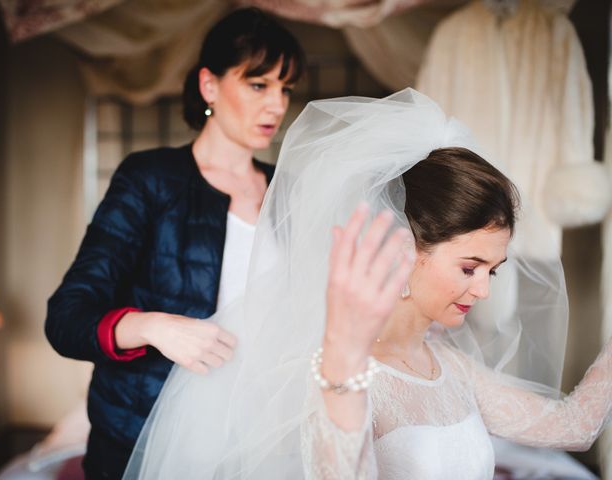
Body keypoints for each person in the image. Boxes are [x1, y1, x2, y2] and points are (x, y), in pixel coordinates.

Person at [122, 89, 612, 479]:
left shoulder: (449, 367)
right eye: (469, 267)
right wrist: (342, 353)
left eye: (492, 270)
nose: (483, 290)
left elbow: (575, 427)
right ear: (404, 250)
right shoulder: (339, 374)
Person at [44, 7, 305, 479]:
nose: (277, 105)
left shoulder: (288, 190)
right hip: (141, 434)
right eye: (258, 84)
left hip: (255, 436)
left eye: (285, 88)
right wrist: (153, 327)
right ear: (210, 85)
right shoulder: (150, 180)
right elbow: (66, 318)